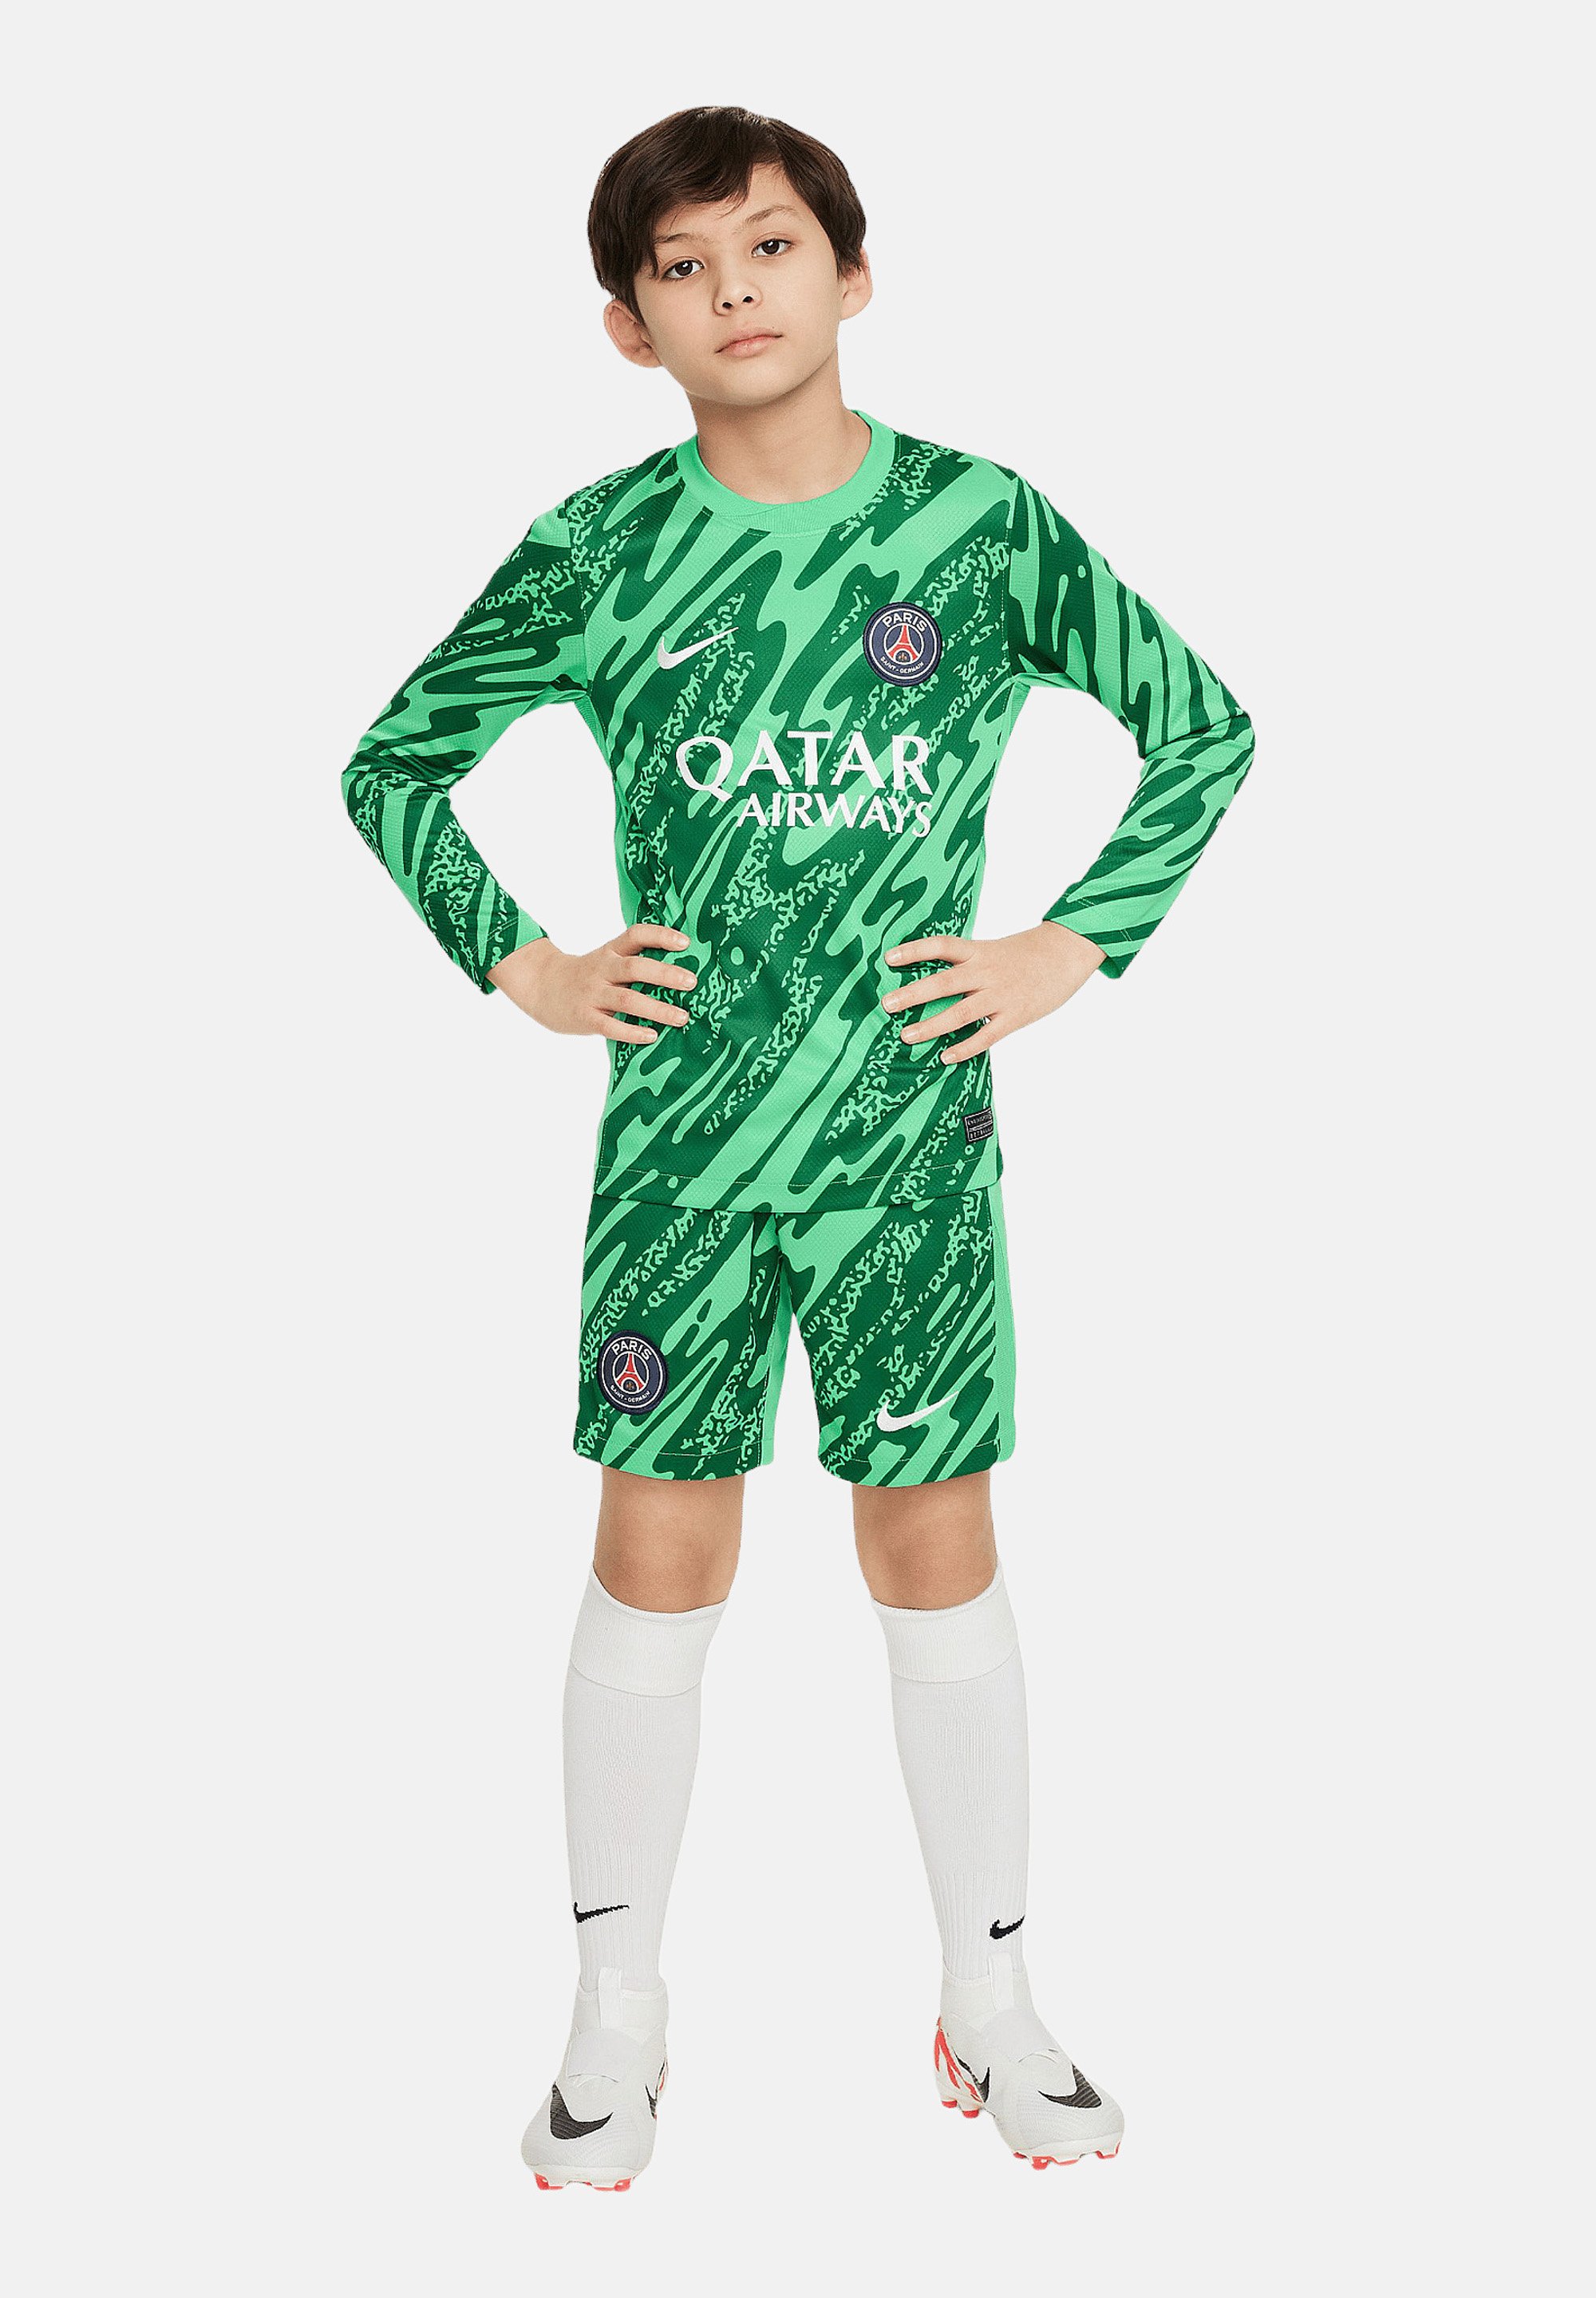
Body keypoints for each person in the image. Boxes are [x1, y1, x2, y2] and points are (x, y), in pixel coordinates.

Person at [342, 104, 1254, 2191]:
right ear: (626, 324)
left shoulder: (978, 525)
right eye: (680, 265)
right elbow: (393, 764)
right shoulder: (599, 549)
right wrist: (529, 965)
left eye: (767, 246)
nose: (731, 289)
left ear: (851, 274)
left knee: (936, 1543)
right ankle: (614, 2015)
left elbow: (1202, 726)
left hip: (911, 1142)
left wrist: (1067, 945)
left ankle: (992, 2002)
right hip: (678, 1152)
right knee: (656, 1551)